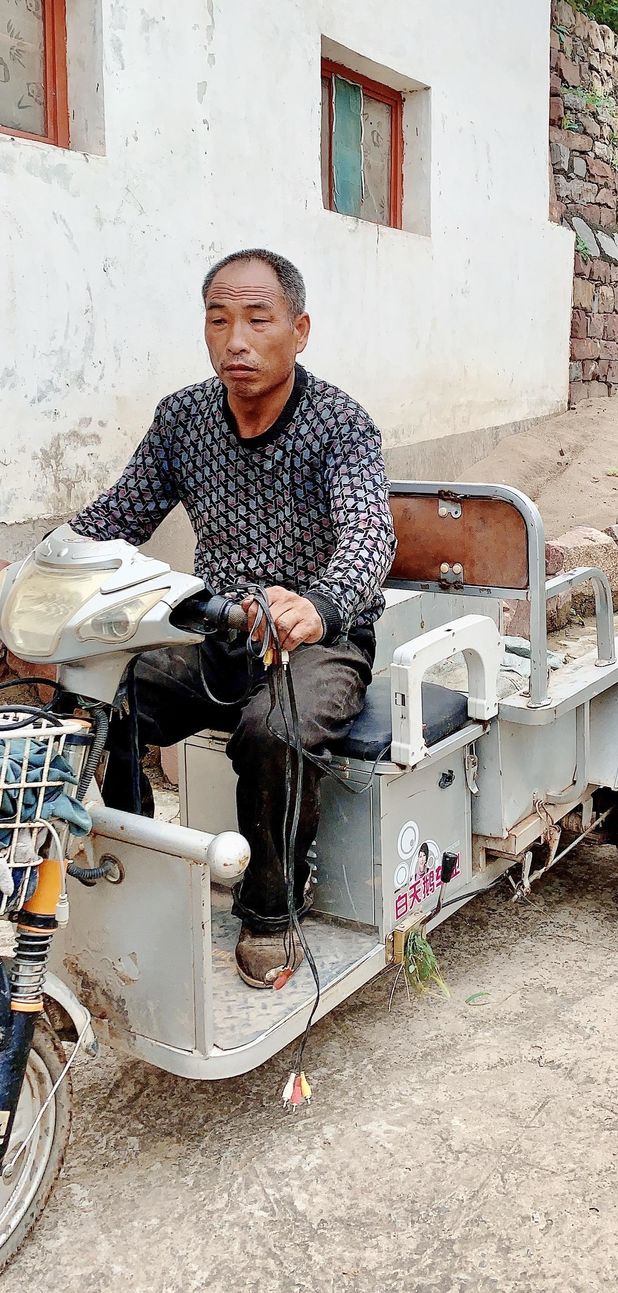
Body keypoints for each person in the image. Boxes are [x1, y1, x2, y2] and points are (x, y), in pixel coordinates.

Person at [70, 248, 396, 988]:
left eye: (257, 318)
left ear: (300, 329)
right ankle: (140, 864)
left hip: (324, 642)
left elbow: (371, 534)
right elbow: (120, 515)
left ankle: (273, 907)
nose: (236, 340)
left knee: (273, 729)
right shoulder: (184, 418)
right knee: (107, 692)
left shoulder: (340, 425)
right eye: (219, 320)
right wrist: (44, 564)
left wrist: (319, 605)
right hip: (218, 630)